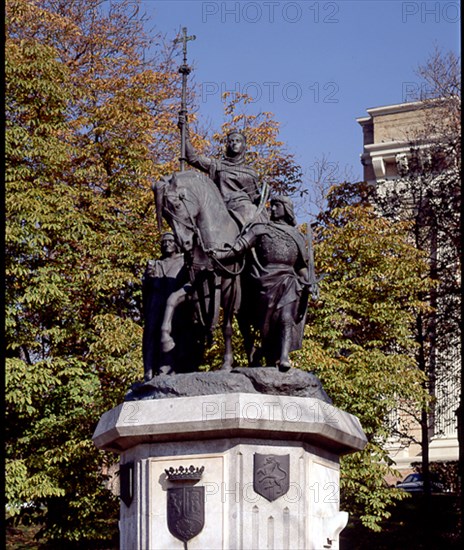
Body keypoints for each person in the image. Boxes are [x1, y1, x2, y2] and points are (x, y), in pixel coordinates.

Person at [211, 196, 310, 371]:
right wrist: (218, 256)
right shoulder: (260, 229)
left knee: (286, 318)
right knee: (266, 326)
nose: (272, 209)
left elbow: (301, 266)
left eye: (276, 206)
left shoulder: (297, 236)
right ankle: (270, 354)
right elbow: (238, 248)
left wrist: (308, 280)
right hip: (265, 281)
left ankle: (284, 357)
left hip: (288, 280)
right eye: (271, 206)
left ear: (286, 209)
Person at [178, 115, 265, 227]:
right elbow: (193, 158)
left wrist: (263, 195)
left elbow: (254, 198)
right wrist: (184, 132)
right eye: (231, 141)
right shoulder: (217, 165)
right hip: (219, 207)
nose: (234, 143)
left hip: (243, 208)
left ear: (244, 146)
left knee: (251, 211)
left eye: (238, 141)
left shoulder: (250, 172)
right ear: (227, 145)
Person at [142, 232, 194, 379]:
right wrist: (148, 279)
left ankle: (168, 368)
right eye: (164, 242)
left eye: (170, 241)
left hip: (176, 306)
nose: (166, 244)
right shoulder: (157, 264)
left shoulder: (184, 262)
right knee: (151, 333)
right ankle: (149, 370)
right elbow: (146, 290)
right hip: (156, 302)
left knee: (175, 333)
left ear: (176, 244)